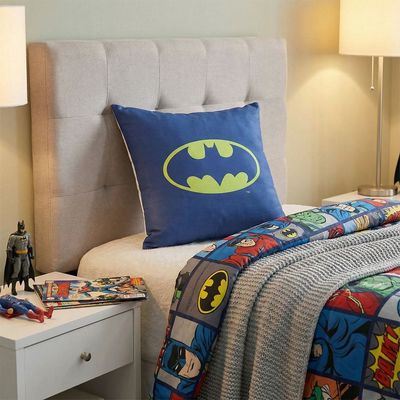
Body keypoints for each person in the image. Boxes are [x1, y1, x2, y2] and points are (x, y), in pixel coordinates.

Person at [4, 221, 35, 295]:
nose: (22, 228)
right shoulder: (13, 236)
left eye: (23, 226)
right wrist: (10, 258)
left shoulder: (27, 235)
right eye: (20, 226)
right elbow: (9, 248)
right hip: (18, 256)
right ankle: (13, 289)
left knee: (26, 271)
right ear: (18, 227)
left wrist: (31, 254)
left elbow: (30, 246)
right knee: (16, 271)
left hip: (25, 255)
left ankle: (26, 286)